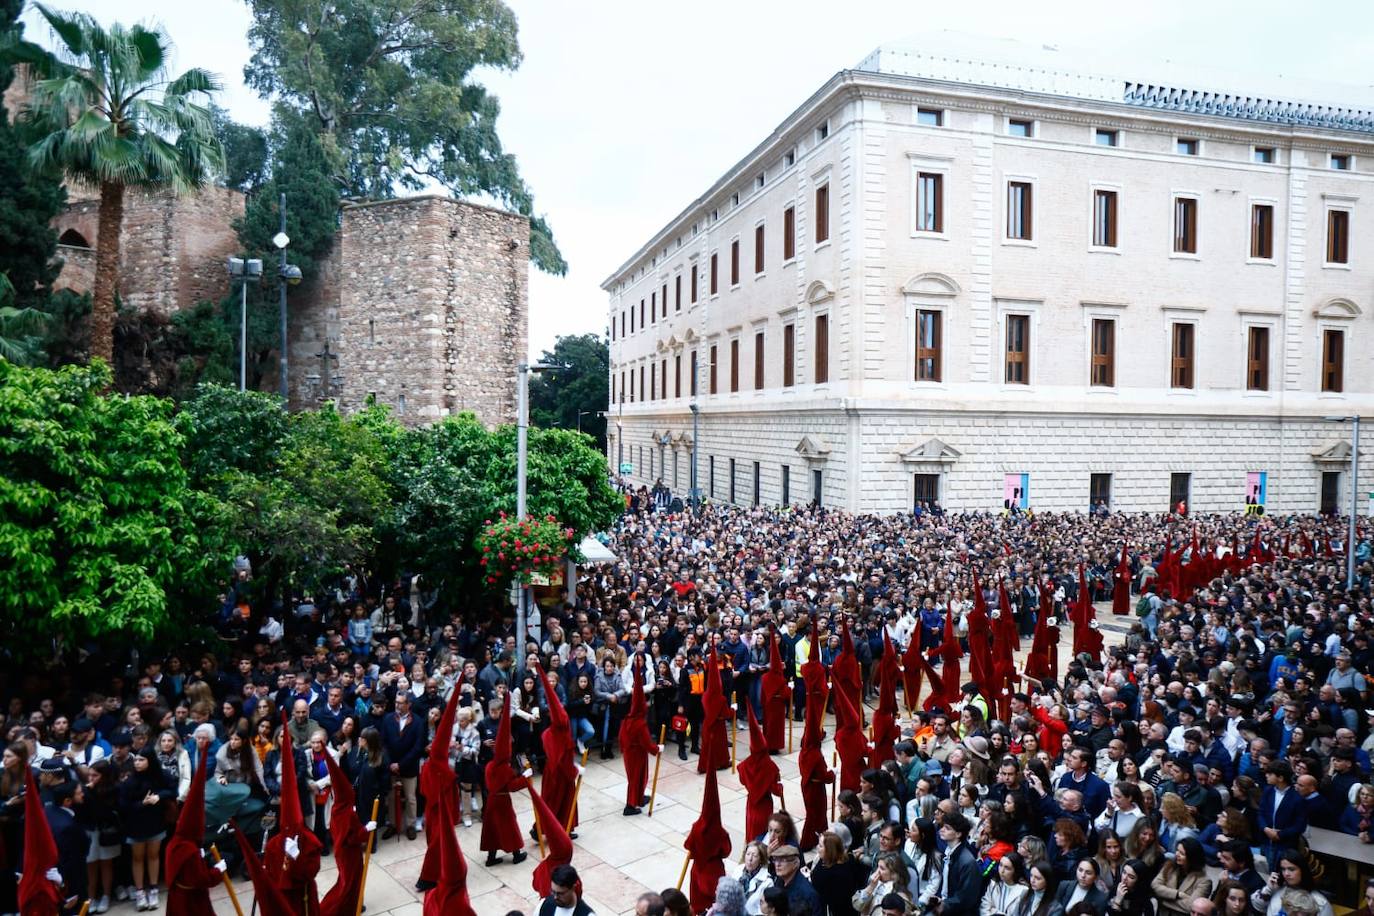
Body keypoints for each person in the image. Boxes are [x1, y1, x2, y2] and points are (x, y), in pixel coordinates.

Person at [118, 747, 174, 910]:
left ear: (150, 761)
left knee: (154, 855)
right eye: (136, 760)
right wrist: (142, 803)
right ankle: (140, 892)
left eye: (141, 760)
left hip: (155, 822)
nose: (137, 763)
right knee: (137, 858)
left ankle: (154, 889)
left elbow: (172, 790)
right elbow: (123, 805)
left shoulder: (161, 776)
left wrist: (159, 796)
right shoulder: (129, 782)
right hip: (135, 825)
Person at [1248, 850, 1334, 916]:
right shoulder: (1276, 890)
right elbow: (1257, 906)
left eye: (1291, 869)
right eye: (1283, 869)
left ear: (1303, 870)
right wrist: (1268, 889)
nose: (1286, 874)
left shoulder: (1320, 901)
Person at [1151, 839, 1212, 916]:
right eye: (1177, 850)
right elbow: (1155, 886)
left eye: (1182, 853)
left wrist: (1162, 899)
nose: (1177, 854)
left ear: (1191, 857)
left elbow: (1191, 907)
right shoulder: (1169, 866)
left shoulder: (1204, 881)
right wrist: (1177, 894)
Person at [939, 811, 982, 916]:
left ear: (958, 834)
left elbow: (965, 898)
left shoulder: (967, 862)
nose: (942, 830)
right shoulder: (949, 852)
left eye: (947, 828)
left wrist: (944, 904)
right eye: (943, 826)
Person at [768, 844, 821, 916]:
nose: (777, 864)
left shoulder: (807, 893)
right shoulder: (779, 881)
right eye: (775, 860)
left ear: (795, 863)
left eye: (783, 860)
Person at [979, 852, 1029, 916]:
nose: (1002, 871)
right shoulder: (993, 884)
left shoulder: (1023, 891)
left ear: (1015, 871)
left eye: (1007, 868)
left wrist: (995, 911)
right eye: (1000, 865)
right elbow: (984, 907)